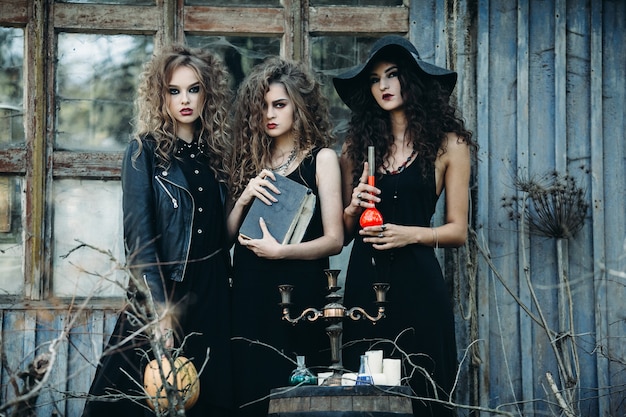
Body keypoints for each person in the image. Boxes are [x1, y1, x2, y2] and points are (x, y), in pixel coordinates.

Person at [82, 44, 233, 417]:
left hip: (212, 300)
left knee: (210, 403)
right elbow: (139, 240)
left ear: (207, 95)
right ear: (160, 95)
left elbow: (221, 235)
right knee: (135, 404)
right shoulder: (143, 153)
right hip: (163, 293)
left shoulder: (218, 157)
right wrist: (160, 311)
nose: (185, 99)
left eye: (194, 89)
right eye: (174, 90)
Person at [333, 35, 476, 416]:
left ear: (411, 79)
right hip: (365, 283)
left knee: (425, 390)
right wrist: (352, 205)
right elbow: (345, 235)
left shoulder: (450, 145)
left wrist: (408, 234)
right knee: (366, 392)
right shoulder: (356, 146)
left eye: (392, 75)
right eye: (375, 78)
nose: (383, 86)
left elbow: (457, 231)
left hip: (419, 284)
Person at [226, 57, 343, 417]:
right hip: (248, 292)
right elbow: (225, 238)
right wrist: (245, 196)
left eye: (279, 104)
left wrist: (281, 253)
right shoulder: (248, 159)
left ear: (300, 105)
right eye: (262, 106)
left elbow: (335, 240)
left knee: (297, 395)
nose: (269, 114)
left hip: (300, 294)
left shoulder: (321, 159)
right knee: (251, 391)